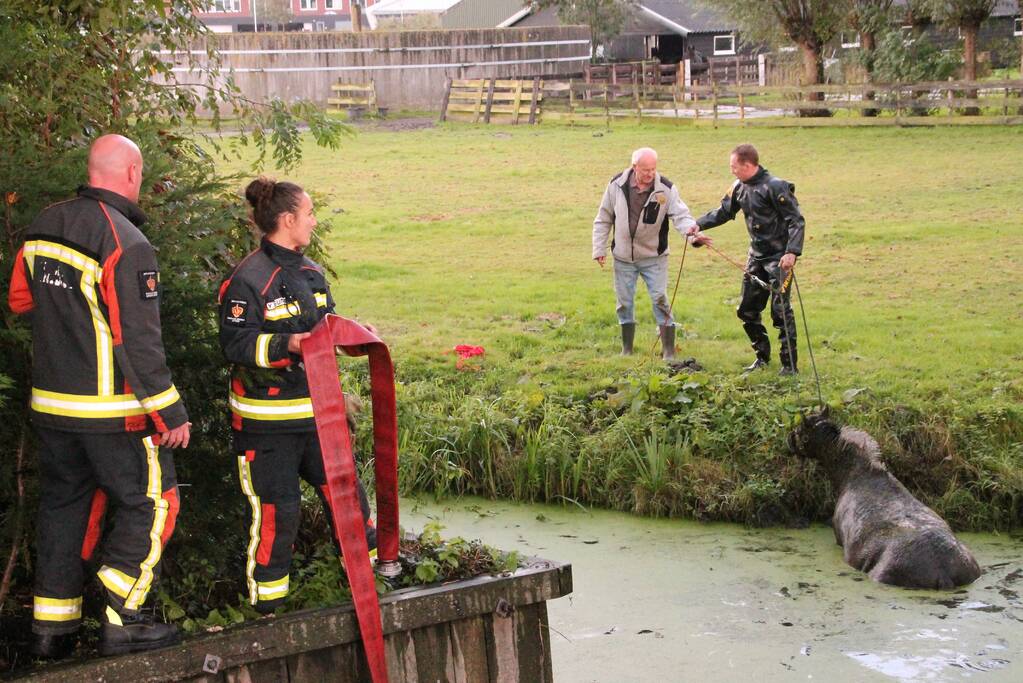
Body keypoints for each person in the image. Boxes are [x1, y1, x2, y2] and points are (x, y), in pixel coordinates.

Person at [7, 134, 189, 658]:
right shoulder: (127, 242)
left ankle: (52, 631)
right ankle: (124, 615)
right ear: (131, 172)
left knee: (64, 507)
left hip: (52, 408)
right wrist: (170, 412)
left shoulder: (43, 226)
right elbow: (139, 339)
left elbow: (20, 300)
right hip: (114, 412)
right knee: (153, 502)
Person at [218, 177, 376, 615]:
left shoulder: (311, 273)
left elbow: (325, 330)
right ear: (287, 220)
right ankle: (268, 611)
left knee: (348, 499)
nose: (314, 221)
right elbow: (234, 345)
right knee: (279, 513)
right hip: (267, 426)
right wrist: (286, 344)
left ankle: (372, 584)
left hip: (320, 418)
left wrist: (357, 337)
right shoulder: (247, 279)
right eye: (309, 214)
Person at [688, 144, 805, 375]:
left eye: (734, 167)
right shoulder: (738, 187)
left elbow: (796, 221)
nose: (731, 170)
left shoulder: (776, 187)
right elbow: (723, 212)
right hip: (756, 257)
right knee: (746, 310)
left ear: (748, 165)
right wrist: (698, 224)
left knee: (780, 311)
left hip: (780, 258)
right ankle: (762, 357)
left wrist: (792, 252)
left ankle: (789, 365)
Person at [592, 147, 698, 359]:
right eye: (646, 169)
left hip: (654, 257)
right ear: (634, 167)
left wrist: (693, 234)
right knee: (624, 303)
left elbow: (681, 216)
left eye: (653, 169)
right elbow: (604, 218)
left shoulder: (666, 189)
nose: (650, 173)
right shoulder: (616, 185)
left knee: (660, 299)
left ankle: (668, 351)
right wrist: (599, 248)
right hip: (623, 257)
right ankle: (627, 350)